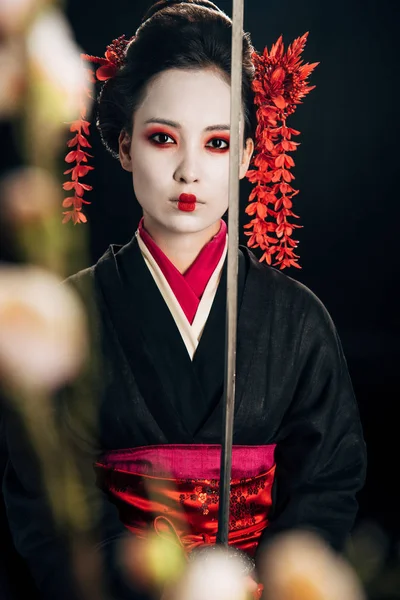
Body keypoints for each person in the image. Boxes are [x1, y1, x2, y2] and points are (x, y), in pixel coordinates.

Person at [3, 1, 367, 599]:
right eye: (163, 138)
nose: (189, 171)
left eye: (219, 143)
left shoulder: (299, 321)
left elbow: (329, 481)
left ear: (250, 155)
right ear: (123, 146)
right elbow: (45, 492)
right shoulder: (65, 318)